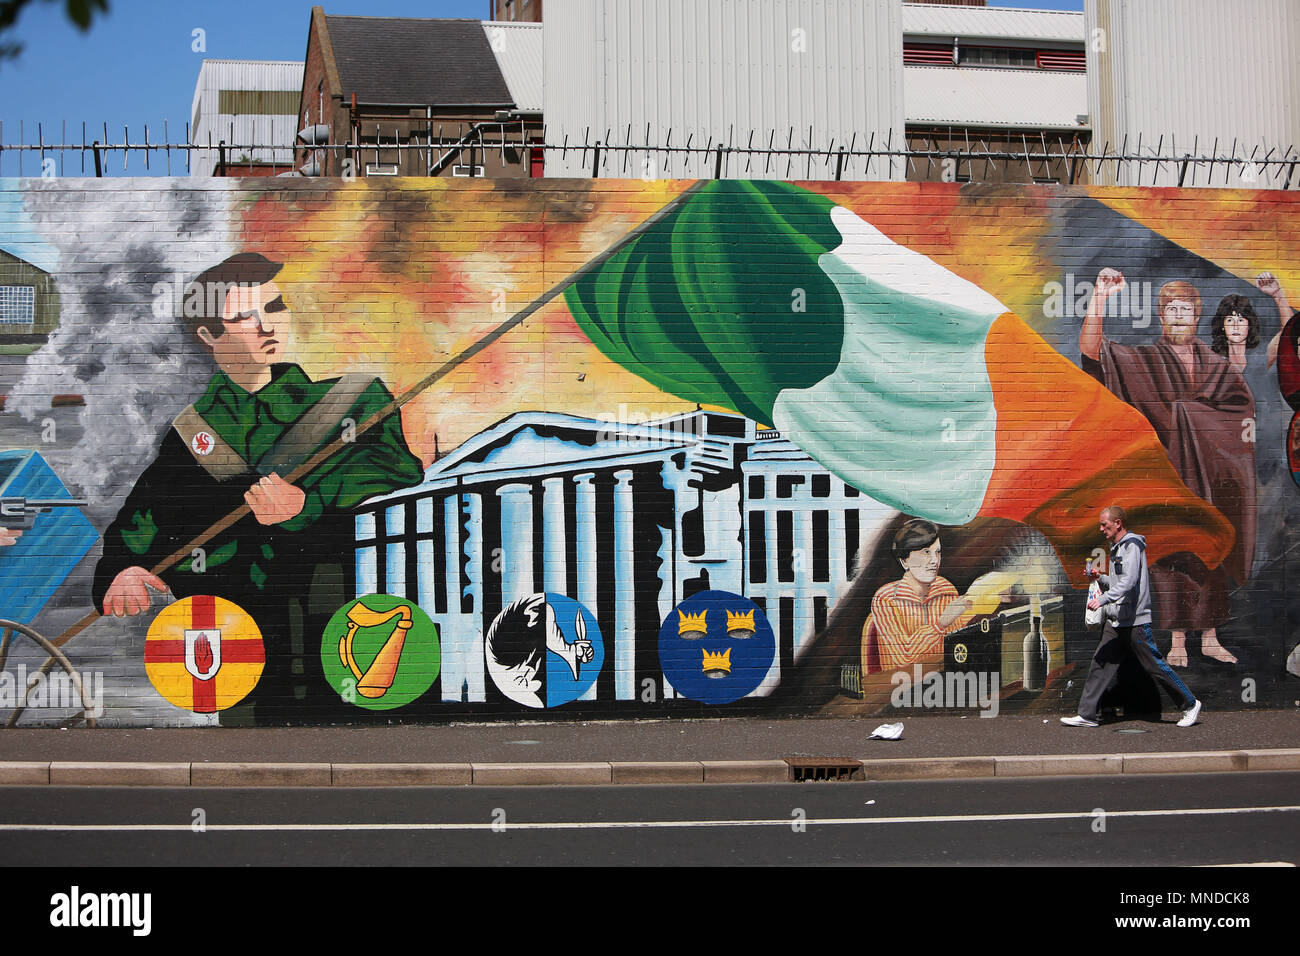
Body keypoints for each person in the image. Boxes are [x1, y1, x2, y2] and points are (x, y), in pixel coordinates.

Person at [92, 253, 424, 723]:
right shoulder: (193, 434)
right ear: (208, 336)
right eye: (243, 317)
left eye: (274, 307)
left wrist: (311, 502)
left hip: (345, 637)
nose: (267, 326)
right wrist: (123, 571)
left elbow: (396, 471)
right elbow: (141, 523)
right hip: (237, 651)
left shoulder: (355, 400)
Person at [1080, 269, 1254, 666]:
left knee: (1212, 551)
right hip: (1168, 479)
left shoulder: (1214, 364)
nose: (1179, 316)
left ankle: (1209, 637)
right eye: (1171, 309)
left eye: (1186, 309)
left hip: (1211, 481)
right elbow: (1093, 352)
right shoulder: (1144, 360)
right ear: (1162, 316)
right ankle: (1177, 641)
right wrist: (1100, 297)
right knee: (1173, 556)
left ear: (1197, 316)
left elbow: (1238, 407)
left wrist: (1198, 420)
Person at [1062, 506, 1201, 728]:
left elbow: (1129, 582)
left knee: (1155, 665)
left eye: (1104, 524)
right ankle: (1087, 715)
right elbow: (1119, 582)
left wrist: (1103, 599)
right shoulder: (1116, 547)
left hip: (1135, 619)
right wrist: (1101, 577)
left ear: (1118, 523)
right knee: (1100, 662)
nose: (1101, 529)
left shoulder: (1132, 545)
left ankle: (1191, 704)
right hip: (1117, 620)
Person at [866, 518, 976, 671]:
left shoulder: (945, 588)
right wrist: (940, 624)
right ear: (905, 561)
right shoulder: (886, 599)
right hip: (901, 686)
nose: (934, 560)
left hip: (944, 679)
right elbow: (904, 657)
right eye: (926, 552)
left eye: (937, 552)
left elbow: (959, 643)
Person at [1209, 294, 1260, 375]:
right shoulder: (1213, 362)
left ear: (1249, 325)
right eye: (1230, 320)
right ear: (1222, 326)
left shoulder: (1260, 359)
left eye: (1240, 320)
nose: (1235, 326)